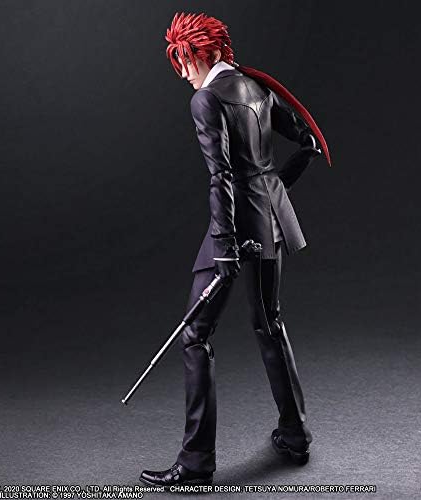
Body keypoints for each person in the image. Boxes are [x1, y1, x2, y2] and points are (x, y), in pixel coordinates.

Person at [139, 11, 331, 487]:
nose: (183, 72)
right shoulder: (256, 88)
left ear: (205, 53)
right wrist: (273, 190)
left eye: (185, 59)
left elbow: (220, 175)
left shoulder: (208, 99)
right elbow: (308, 141)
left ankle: (195, 462)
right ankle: (296, 435)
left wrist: (224, 247)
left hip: (235, 225)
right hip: (270, 219)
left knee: (194, 335)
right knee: (269, 322)